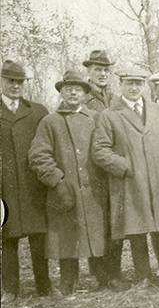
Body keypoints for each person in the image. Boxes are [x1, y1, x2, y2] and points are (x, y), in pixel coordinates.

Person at [92, 67, 159, 287]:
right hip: (131, 181)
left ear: (145, 86)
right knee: (137, 230)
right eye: (129, 83)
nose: (134, 87)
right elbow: (100, 151)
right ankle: (144, 277)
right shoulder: (110, 115)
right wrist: (125, 166)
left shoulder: (155, 110)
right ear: (121, 85)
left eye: (138, 83)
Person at [28, 70, 111, 295]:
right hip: (65, 189)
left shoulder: (95, 118)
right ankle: (68, 281)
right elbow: (38, 155)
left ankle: (103, 277)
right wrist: (57, 181)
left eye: (78, 89)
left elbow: (106, 147)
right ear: (62, 93)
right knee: (66, 236)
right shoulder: (50, 121)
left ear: (85, 94)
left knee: (97, 232)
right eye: (68, 89)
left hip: (94, 189)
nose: (73, 93)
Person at [1, 60, 53, 301]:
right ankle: (10, 290)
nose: (15, 86)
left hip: (33, 186)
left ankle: (44, 286)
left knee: (39, 236)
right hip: (5, 186)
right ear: (2, 81)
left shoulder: (38, 111)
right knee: (8, 236)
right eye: (11, 81)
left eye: (20, 82)